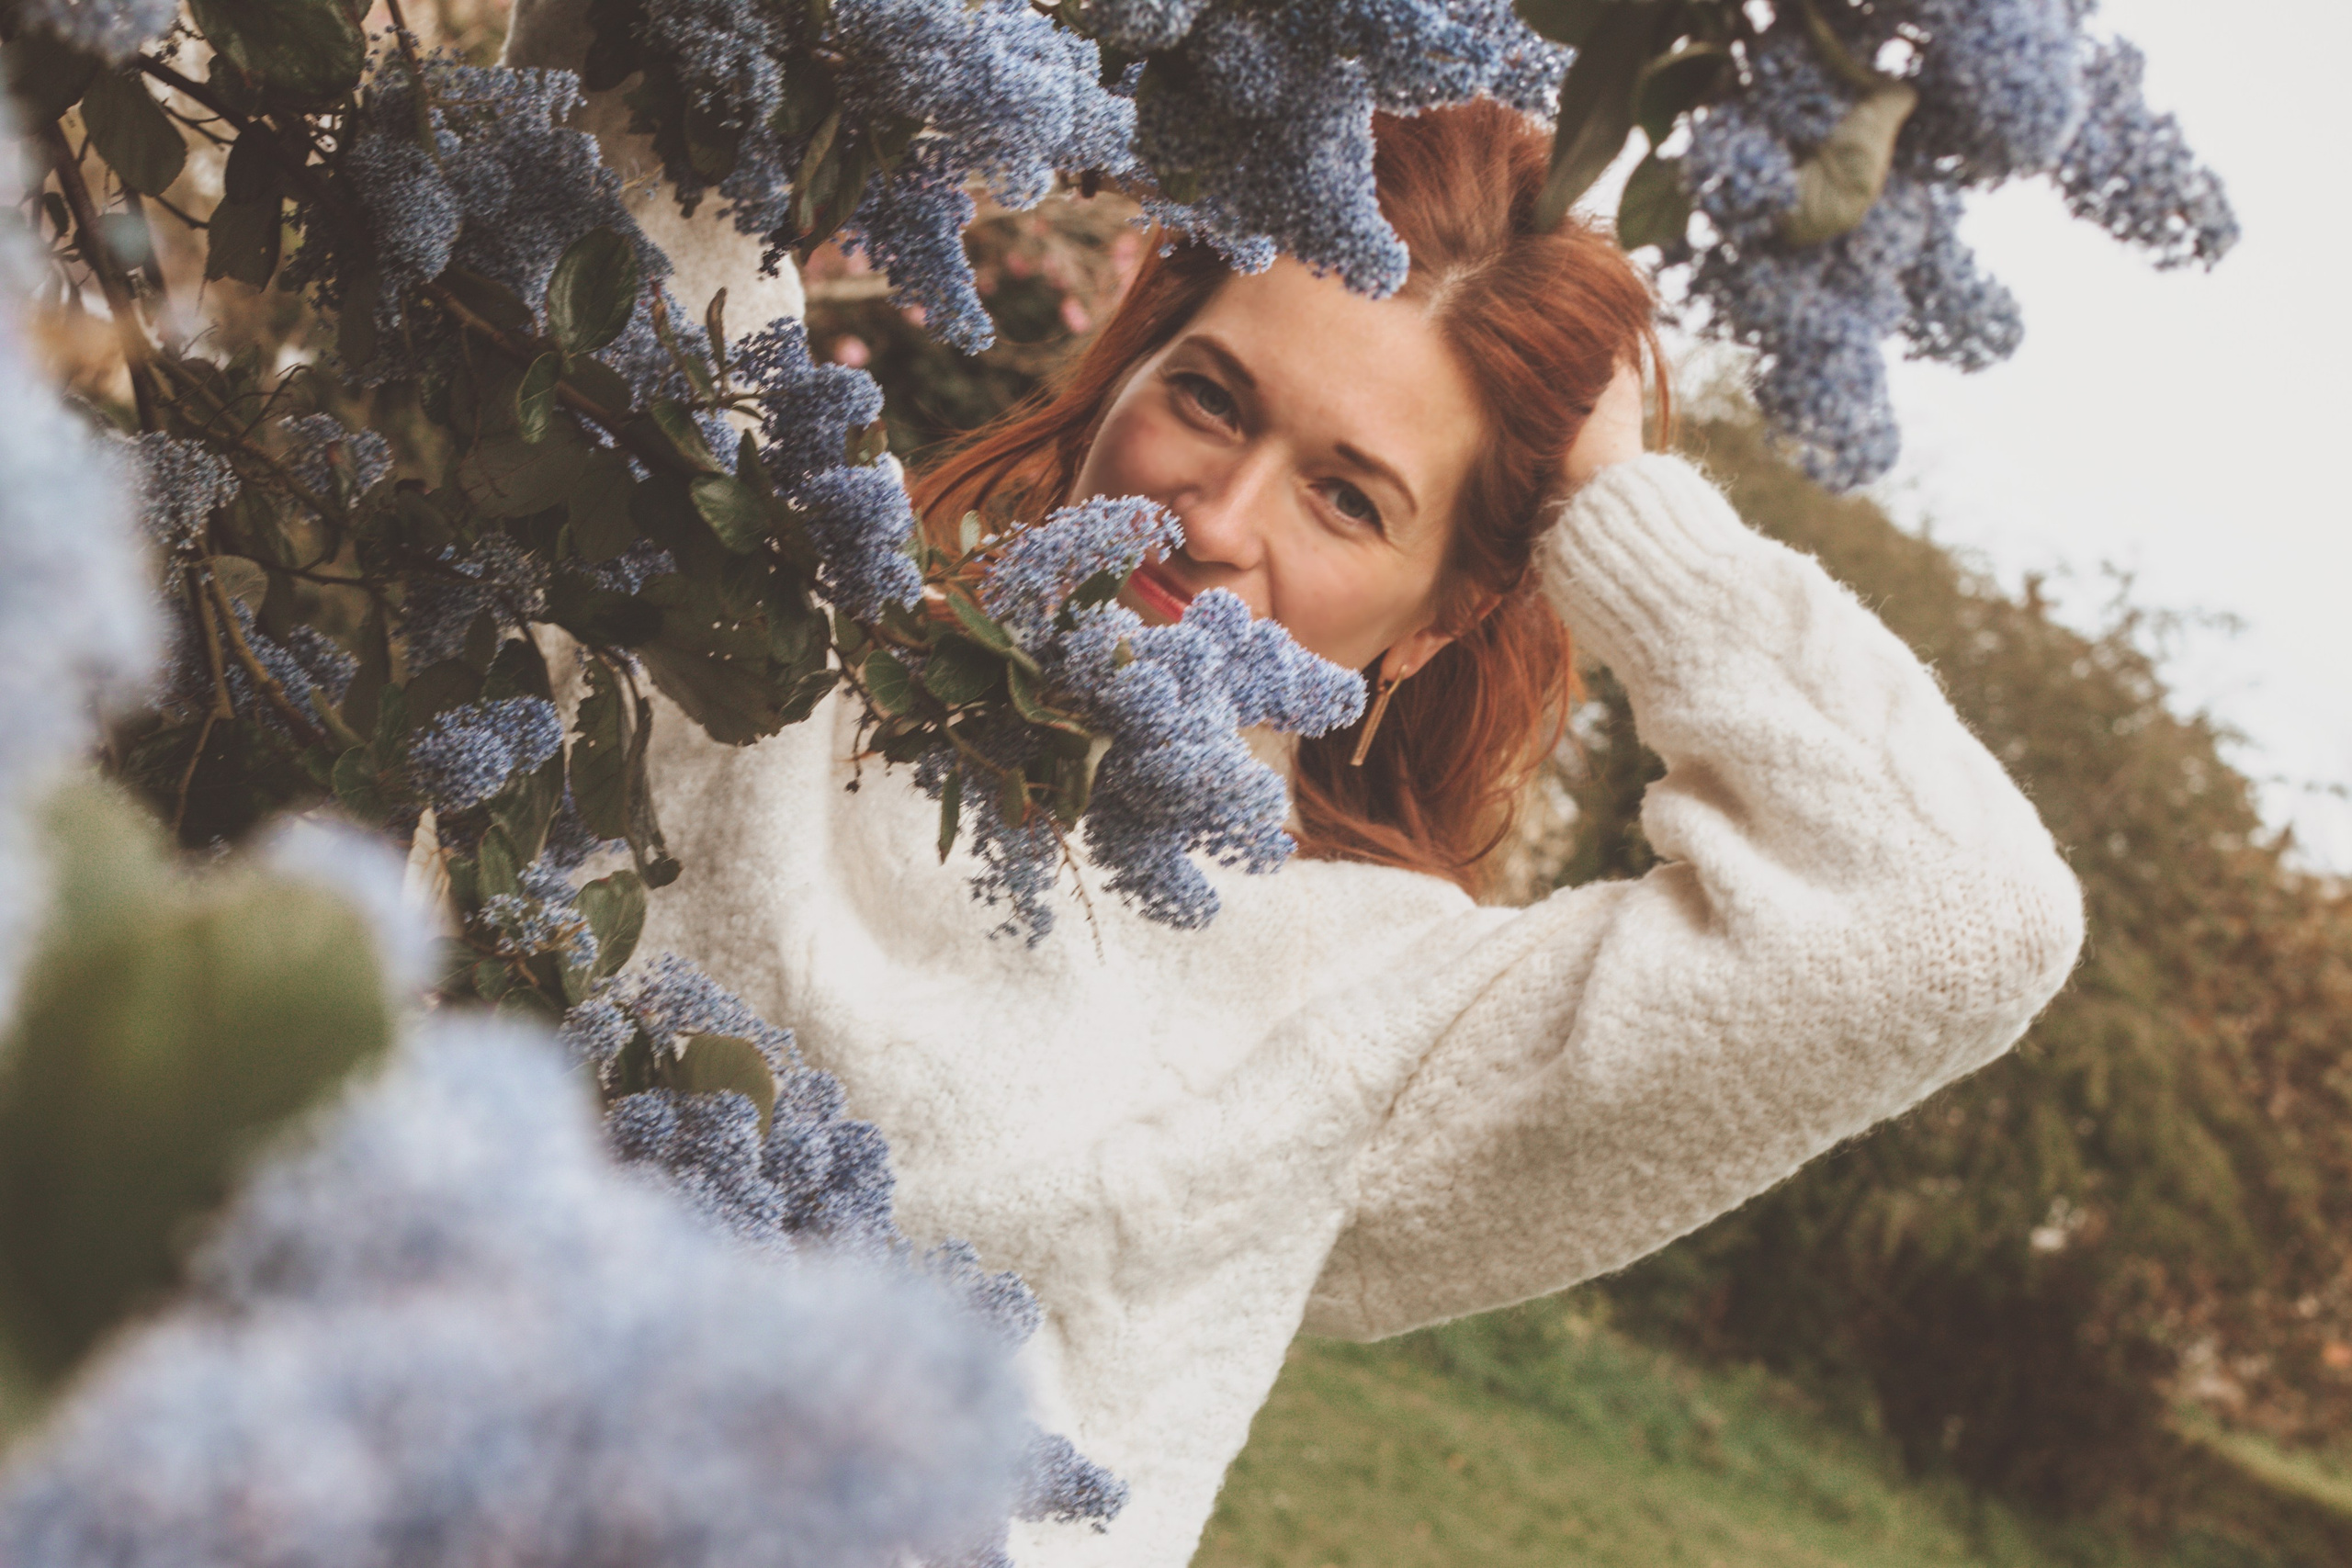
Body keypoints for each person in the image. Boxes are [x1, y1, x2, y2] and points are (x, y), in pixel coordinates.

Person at [504, 13, 2086, 1560]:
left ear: (1442, 619)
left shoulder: (1374, 1011)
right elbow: (623, 118)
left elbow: (1952, 919)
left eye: (1348, 497)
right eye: (1210, 397)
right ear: (1128, 369)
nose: (1219, 517)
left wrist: (1613, 503)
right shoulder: (750, 609)